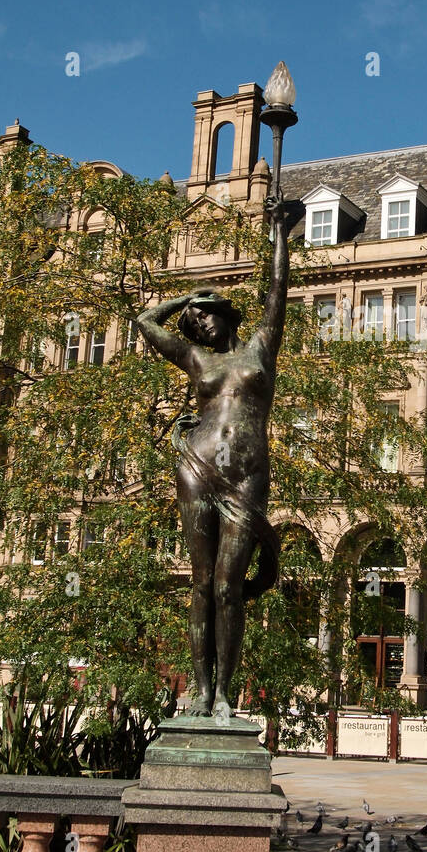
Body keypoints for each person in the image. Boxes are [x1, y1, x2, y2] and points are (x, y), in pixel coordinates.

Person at [137, 192, 288, 720]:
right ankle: (200, 692)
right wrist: (184, 300)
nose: (199, 326)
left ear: (226, 316)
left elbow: (277, 290)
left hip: (245, 475)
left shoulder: (259, 348)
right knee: (201, 582)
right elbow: (143, 321)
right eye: (194, 322)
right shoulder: (194, 356)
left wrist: (279, 233)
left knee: (229, 585)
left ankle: (226, 692)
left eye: (206, 317)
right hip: (197, 467)